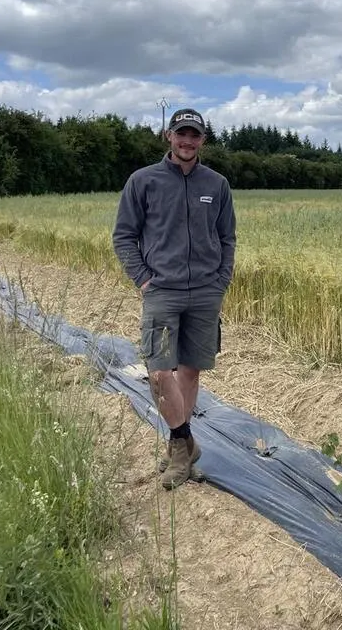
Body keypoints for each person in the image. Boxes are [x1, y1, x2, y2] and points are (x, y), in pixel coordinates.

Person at [112, 108, 236, 490]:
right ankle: (185, 446)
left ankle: (178, 448)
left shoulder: (216, 184)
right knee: (159, 372)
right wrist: (144, 279)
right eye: (181, 134)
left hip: (205, 292)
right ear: (169, 136)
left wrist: (220, 281)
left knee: (190, 371)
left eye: (194, 135)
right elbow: (124, 236)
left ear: (202, 140)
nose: (187, 141)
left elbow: (227, 238)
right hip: (162, 292)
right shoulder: (143, 181)